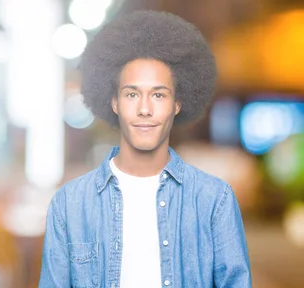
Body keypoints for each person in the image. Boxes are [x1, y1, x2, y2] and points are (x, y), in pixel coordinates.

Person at [39, 10, 251, 288]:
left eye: (159, 95)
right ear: (114, 102)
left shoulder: (214, 200)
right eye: (132, 94)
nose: (144, 109)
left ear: (177, 104)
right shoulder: (69, 204)